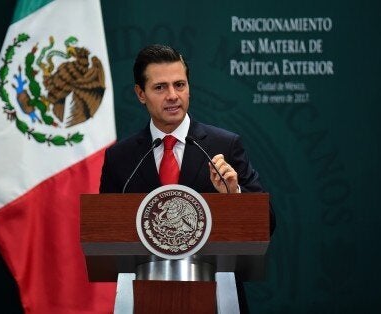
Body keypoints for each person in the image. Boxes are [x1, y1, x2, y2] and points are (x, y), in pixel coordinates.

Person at [99, 44, 274, 311]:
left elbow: (267, 222)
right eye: (160, 87)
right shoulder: (121, 158)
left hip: (216, 297)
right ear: (140, 94)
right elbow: (103, 232)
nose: (172, 95)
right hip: (145, 298)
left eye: (180, 85)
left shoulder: (224, 145)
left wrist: (234, 194)